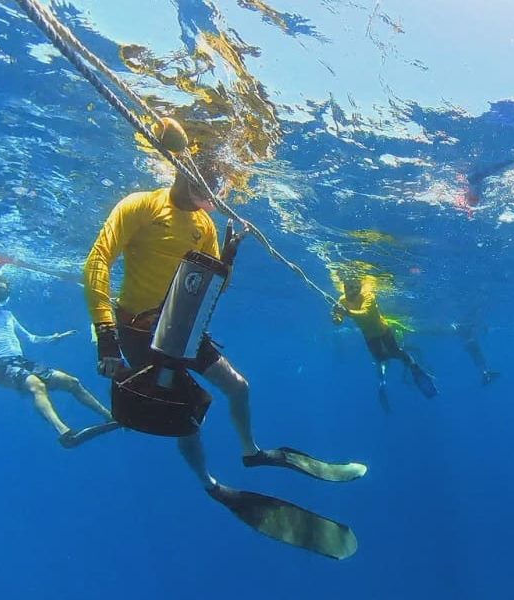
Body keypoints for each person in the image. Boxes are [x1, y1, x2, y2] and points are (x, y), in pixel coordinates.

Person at [84, 153, 364, 559]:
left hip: (184, 324)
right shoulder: (140, 204)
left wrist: (228, 256)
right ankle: (209, 483)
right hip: (140, 329)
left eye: (219, 179)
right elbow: (97, 262)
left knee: (239, 386)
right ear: (182, 166)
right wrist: (106, 336)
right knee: (185, 419)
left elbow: (214, 286)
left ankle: (251, 452)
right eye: (208, 174)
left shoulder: (204, 224)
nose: (214, 185)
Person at [0, 260, 117, 448]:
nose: (2, 290)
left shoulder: (8, 315)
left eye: (5, 288)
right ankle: (64, 433)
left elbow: (31, 338)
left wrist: (55, 337)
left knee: (72, 382)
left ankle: (110, 417)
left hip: (21, 362)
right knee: (36, 385)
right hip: (2, 366)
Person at [332, 274, 437, 412]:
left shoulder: (368, 296)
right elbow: (339, 318)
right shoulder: (342, 300)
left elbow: (365, 314)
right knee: (379, 358)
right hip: (369, 336)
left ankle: (414, 367)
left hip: (383, 331)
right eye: (346, 287)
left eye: (351, 287)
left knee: (396, 352)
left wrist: (346, 312)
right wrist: (337, 318)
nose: (348, 290)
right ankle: (385, 378)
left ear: (359, 288)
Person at [450, 320, 499, 385]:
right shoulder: (465, 328)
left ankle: (485, 374)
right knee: (480, 359)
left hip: (471, 346)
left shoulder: (461, 328)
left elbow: (464, 338)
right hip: (473, 345)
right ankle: (485, 373)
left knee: (478, 360)